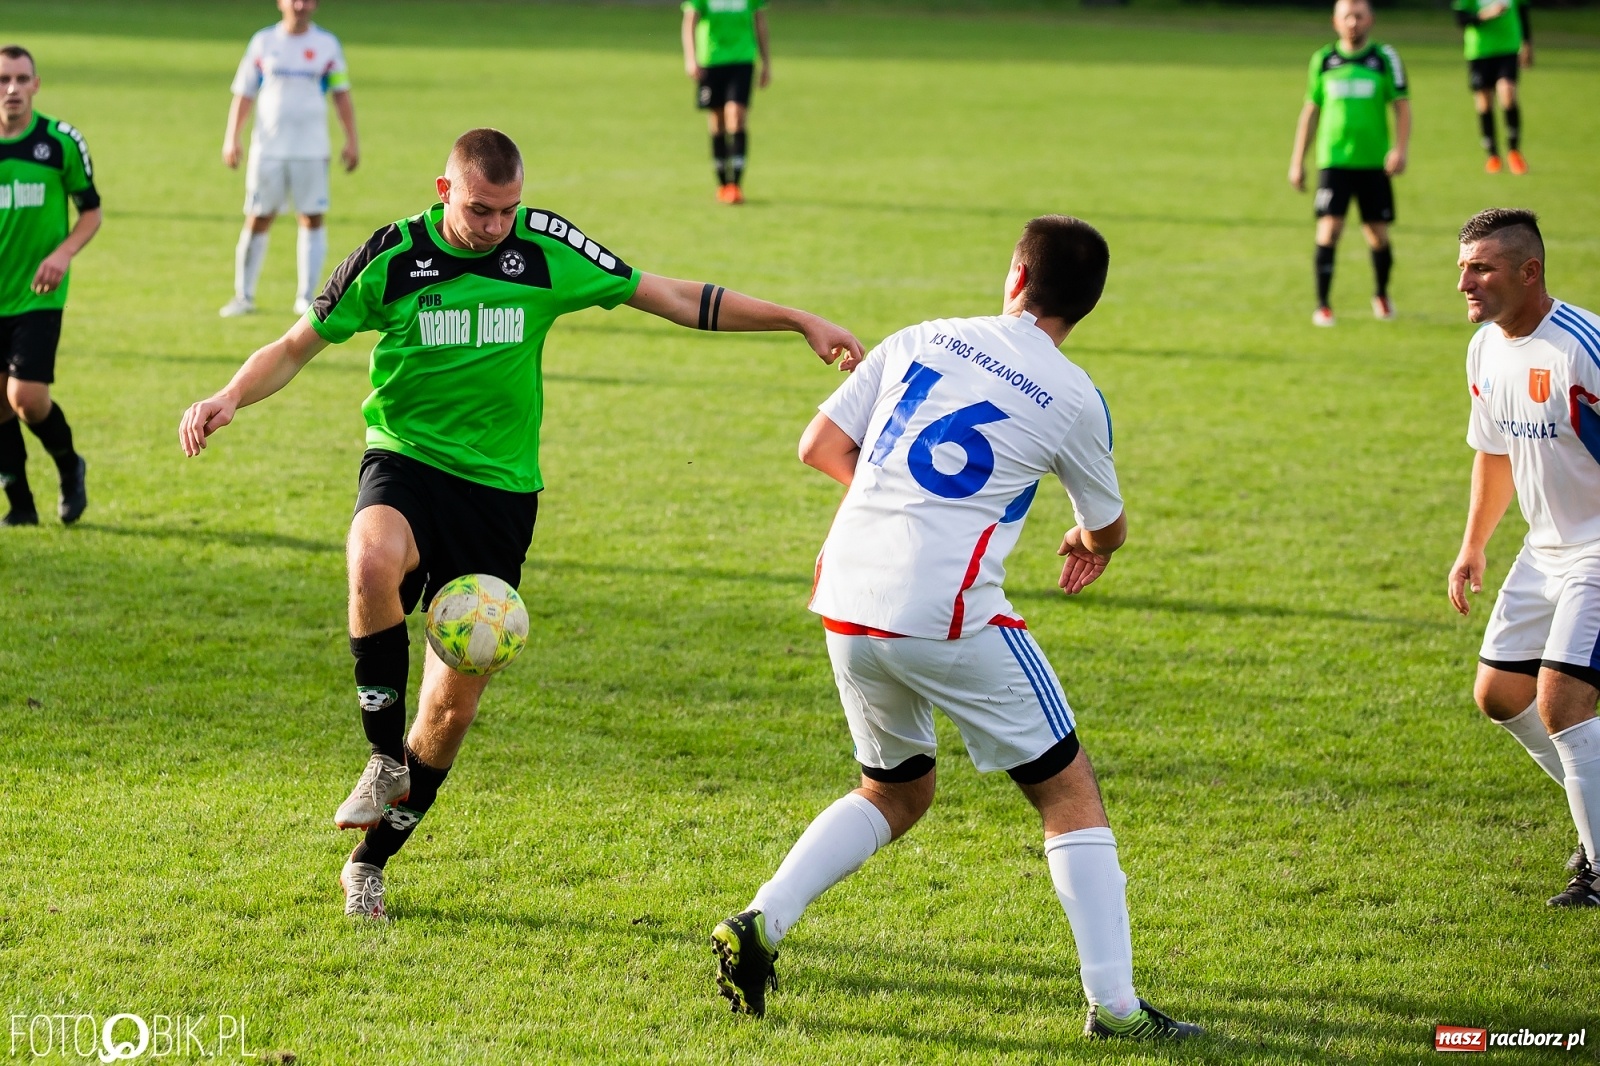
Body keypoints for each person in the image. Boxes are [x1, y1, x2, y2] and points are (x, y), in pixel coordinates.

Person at [179, 128, 863, 921]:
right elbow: (298, 345)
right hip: (408, 460)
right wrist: (230, 394)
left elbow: (669, 295)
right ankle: (379, 759)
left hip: (501, 495)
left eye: (508, 209)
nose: (497, 224)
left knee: (450, 711)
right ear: (443, 191)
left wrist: (796, 320)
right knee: (371, 560)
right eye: (479, 209)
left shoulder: (543, 249)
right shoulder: (392, 257)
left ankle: (370, 861)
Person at [710, 216, 1200, 1040]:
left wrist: (894, 501)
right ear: (1089, 304)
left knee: (895, 790)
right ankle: (1116, 1010)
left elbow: (819, 445)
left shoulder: (922, 336)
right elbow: (1108, 525)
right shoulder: (1075, 395)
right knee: (1067, 788)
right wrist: (1087, 542)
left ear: (1015, 274)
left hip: (847, 593)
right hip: (947, 609)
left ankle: (761, 920)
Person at [1447, 208, 1600, 908]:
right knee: (1500, 694)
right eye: (1462, 269)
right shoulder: (1485, 347)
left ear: (1530, 272)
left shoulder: (1581, 349)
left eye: (1480, 268)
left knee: (1562, 700)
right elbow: (1495, 449)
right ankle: (1591, 812)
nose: (1464, 284)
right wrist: (1473, 543)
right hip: (1545, 549)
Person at [0, 45, 99, 527]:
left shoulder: (60, 141)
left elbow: (91, 213)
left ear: (36, 84)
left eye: (21, 78)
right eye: (3, 79)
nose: (12, 88)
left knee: (27, 398)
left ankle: (68, 466)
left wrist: (62, 253)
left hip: (37, 293)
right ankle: (20, 504)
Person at [219, 0, 358, 318]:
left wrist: (351, 140)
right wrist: (232, 138)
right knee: (258, 216)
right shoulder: (263, 42)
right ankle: (243, 295)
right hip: (267, 149)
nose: (300, 5)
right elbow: (244, 94)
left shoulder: (326, 45)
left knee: (311, 217)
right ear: (281, 3)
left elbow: (341, 94)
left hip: (311, 149)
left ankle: (307, 297)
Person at [1288, 0, 1410, 328]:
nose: (1352, 22)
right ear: (1335, 21)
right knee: (1329, 230)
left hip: (1373, 162)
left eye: (1358, 16)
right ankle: (1323, 304)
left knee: (1377, 234)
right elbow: (1311, 111)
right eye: (1346, 17)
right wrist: (1297, 160)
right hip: (1334, 161)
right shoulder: (1324, 60)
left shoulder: (1385, 58)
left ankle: (1381, 294)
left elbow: (1401, 105)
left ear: (1370, 19)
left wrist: (1399, 149)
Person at [681, 0, 769, 205]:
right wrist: (690, 58)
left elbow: (760, 22)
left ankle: (735, 185)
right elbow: (689, 21)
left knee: (736, 116)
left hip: (742, 59)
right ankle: (722, 183)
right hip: (711, 59)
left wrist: (766, 62)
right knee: (717, 121)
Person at [1452, 0, 1532, 174]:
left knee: (1507, 93)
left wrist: (1527, 43)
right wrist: (1486, 14)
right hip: (1480, 50)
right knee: (1484, 102)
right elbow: (1461, 19)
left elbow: (1523, 12)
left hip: (1508, 47)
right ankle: (1493, 155)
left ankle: (1514, 151)